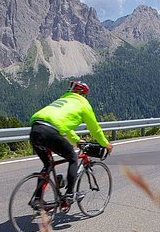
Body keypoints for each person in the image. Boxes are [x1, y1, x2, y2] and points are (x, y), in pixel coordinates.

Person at [30, 80, 113, 209]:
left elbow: (65, 126)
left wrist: (77, 140)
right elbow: (94, 129)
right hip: (50, 132)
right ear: (83, 94)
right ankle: (69, 195)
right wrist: (105, 144)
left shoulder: (63, 99)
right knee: (73, 158)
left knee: (47, 165)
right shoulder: (83, 104)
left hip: (35, 129)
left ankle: (37, 198)